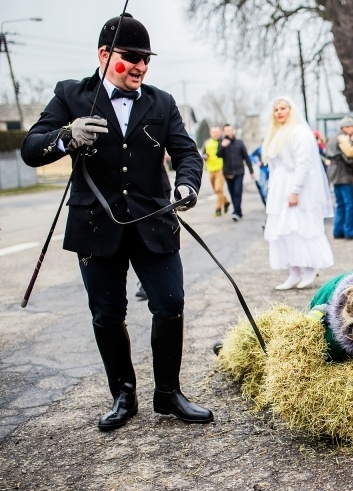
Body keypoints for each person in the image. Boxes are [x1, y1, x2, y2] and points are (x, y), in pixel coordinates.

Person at [21, 12, 213, 430]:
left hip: (154, 223)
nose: (142, 66)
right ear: (105, 55)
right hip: (95, 228)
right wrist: (66, 136)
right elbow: (32, 148)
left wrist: (187, 186)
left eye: (147, 59)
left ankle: (169, 394)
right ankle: (123, 396)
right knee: (107, 314)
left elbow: (186, 153)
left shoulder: (161, 101)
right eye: (133, 57)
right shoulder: (71, 95)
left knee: (171, 303)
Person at [263, 97, 334, 290]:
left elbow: (304, 164)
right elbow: (274, 165)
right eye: (276, 109)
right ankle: (293, 273)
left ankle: (310, 269)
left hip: (297, 186)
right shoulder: (276, 133)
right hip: (279, 186)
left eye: (283, 108)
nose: (279, 112)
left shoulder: (300, 132)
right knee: (284, 230)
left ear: (291, 110)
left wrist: (295, 191)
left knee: (301, 227)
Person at [325, 117, 353, 240]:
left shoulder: (332, 138)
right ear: (344, 127)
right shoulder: (343, 139)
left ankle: (338, 230)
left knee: (340, 204)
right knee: (350, 204)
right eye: (350, 127)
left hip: (334, 174)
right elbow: (350, 158)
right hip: (344, 174)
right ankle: (351, 231)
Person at [217, 124, 255, 222]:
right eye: (226, 131)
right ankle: (238, 210)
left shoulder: (239, 143)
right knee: (232, 192)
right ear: (224, 132)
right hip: (227, 172)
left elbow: (246, 157)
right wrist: (222, 146)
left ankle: (236, 212)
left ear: (233, 131)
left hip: (239, 172)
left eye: (230, 130)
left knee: (238, 192)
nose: (229, 132)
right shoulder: (222, 143)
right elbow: (218, 155)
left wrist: (251, 171)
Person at [202, 126, 230, 217]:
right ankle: (226, 201)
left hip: (221, 169)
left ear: (220, 133)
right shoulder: (207, 143)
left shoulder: (223, 142)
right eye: (214, 132)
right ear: (210, 133)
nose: (216, 134)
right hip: (210, 170)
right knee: (217, 191)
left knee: (218, 189)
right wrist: (205, 157)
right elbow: (203, 154)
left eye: (217, 132)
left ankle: (218, 209)